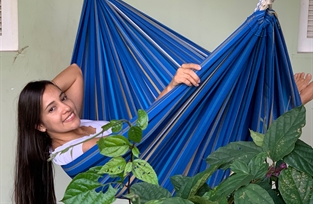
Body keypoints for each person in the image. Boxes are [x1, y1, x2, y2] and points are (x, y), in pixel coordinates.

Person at [14, 63, 313, 204]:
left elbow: (77, 71)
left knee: (210, 110)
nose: (65, 108)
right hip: (164, 172)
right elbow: (139, 135)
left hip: (163, 151)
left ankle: (281, 105)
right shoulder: (71, 151)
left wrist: (40, 100)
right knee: (210, 119)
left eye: (62, 99)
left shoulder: (72, 122)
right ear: (39, 126)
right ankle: (286, 106)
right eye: (52, 110)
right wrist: (170, 88)